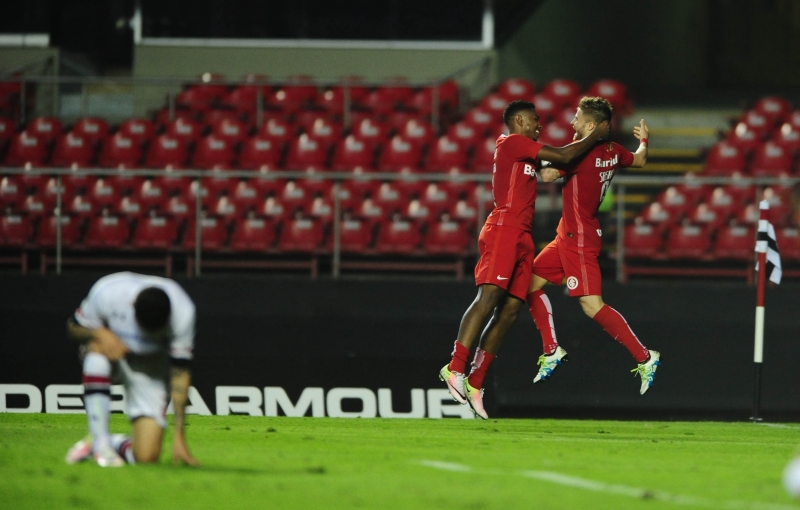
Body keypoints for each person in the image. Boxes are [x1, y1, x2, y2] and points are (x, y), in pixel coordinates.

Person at [439, 100, 610, 420]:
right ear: (518, 120)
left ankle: (476, 381)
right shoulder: (512, 142)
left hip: (522, 235)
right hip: (503, 229)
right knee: (488, 297)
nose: (539, 125)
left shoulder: (527, 150)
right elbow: (564, 155)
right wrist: (596, 134)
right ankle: (455, 366)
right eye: (534, 120)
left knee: (511, 310)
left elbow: (561, 164)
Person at [526, 96, 660, 394]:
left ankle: (645, 356)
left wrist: (531, 151)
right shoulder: (612, 151)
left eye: (577, 118)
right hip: (568, 234)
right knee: (526, 287)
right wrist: (645, 141)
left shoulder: (579, 155)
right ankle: (551, 351)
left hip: (579, 240)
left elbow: (547, 174)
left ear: (589, 125)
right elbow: (639, 159)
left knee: (591, 306)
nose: (572, 122)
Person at [64, 272, 199, 467]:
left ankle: (103, 442)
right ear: (132, 306)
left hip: (150, 368)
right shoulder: (109, 292)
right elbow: (73, 329)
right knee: (96, 352)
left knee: (146, 458)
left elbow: (180, 373)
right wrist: (98, 332)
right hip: (112, 356)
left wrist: (179, 437)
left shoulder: (183, 311)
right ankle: (101, 442)